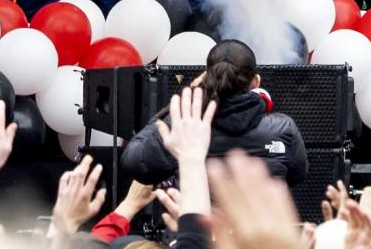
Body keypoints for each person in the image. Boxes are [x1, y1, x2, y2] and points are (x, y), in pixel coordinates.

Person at [121, 39, 308, 186]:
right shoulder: (284, 128)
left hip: (196, 233)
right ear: (256, 81)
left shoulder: (184, 127)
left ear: (206, 78)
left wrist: (186, 99)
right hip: (261, 234)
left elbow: (134, 163)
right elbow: (297, 176)